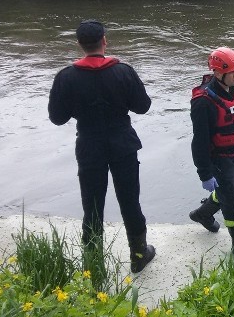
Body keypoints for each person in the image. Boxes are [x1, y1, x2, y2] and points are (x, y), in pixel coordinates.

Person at [48, 20, 155, 273]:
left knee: (92, 205)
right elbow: (143, 106)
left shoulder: (66, 77)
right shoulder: (124, 71)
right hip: (123, 144)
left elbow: (57, 117)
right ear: (104, 40)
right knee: (130, 201)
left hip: (89, 145)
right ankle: (139, 256)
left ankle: (94, 264)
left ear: (79, 45)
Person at [188, 47, 234, 256]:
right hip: (219, 159)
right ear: (217, 73)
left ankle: (202, 214)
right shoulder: (203, 103)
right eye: (232, 71)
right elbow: (199, 142)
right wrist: (204, 174)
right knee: (232, 203)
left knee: (229, 193)